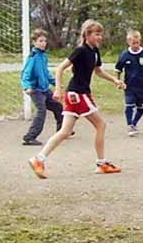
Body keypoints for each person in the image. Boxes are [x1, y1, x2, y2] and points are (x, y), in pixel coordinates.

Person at [28, 20, 125, 179]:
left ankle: (38, 159)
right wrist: (58, 89)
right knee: (101, 125)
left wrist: (114, 80)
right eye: (96, 34)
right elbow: (60, 68)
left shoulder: (95, 52)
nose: (100, 37)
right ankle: (101, 163)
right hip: (78, 94)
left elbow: (98, 71)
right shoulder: (80, 51)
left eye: (101, 34)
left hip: (78, 94)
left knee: (65, 131)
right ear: (87, 35)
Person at [20, 28, 64, 146]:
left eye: (44, 41)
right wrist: (27, 87)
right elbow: (25, 75)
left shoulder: (43, 56)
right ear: (34, 42)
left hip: (45, 90)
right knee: (41, 111)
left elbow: (45, 73)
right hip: (35, 90)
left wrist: (56, 83)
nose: (43, 43)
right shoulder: (33, 57)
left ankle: (62, 132)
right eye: (40, 41)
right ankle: (30, 137)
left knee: (58, 107)